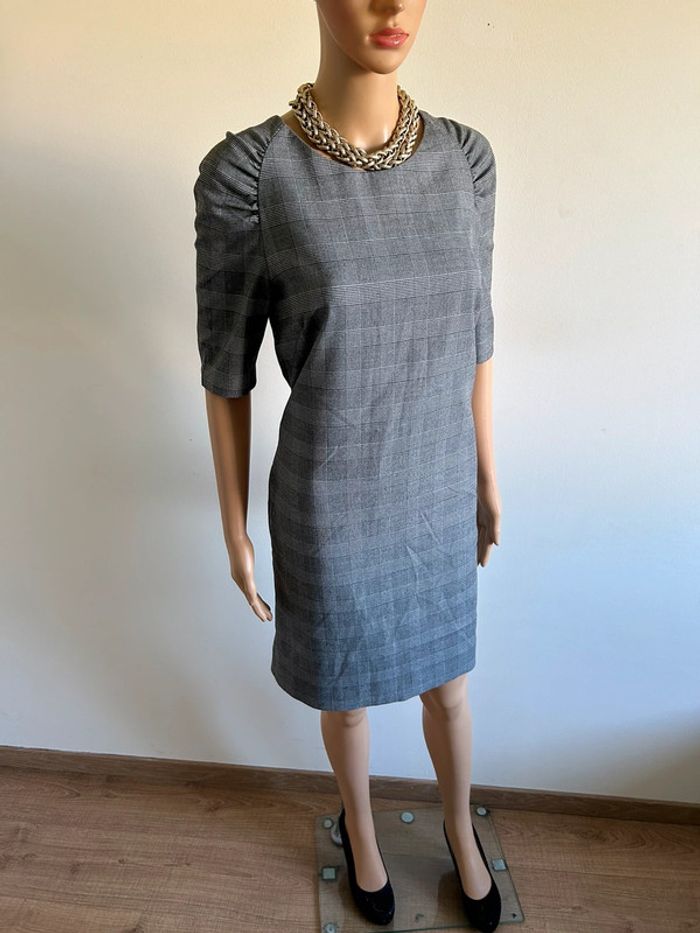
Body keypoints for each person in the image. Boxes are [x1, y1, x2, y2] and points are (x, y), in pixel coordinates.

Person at [194, 1, 501, 928]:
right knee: (350, 693)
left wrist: (487, 470)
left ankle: (460, 828)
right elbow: (226, 367)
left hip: (439, 478)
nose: (391, 6)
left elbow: (478, 333)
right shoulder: (251, 175)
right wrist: (234, 528)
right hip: (331, 493)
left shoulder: (466, 162)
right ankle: (361, 833)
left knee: (450, 685)